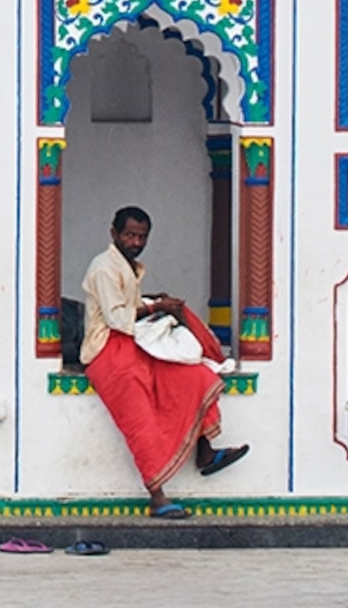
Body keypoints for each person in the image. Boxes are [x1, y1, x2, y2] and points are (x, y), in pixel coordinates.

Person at [80, 203, 249, 515]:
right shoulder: (104, 267)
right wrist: (157, 307)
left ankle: (205, 451)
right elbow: (117, 318)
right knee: (138, 414)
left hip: (132, 344)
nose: (135, 242)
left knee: (195, 376)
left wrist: (156, 301)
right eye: (130, 235)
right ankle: (157, 495)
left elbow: (128, 307)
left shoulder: (128, 266)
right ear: (114, 234)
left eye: (142, 237)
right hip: (107, 352)